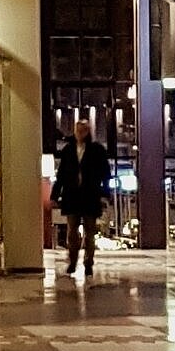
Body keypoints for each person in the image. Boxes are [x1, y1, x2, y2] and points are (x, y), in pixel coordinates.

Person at [52, 119, 109, 278]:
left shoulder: (97, 150)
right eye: (78, 130)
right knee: (72, 232)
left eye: (83, 130)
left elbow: (105, 173)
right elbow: (62, 174)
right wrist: (55, 195)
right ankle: (72, 261)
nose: (80, 134)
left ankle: (88, 263)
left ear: (88, 132)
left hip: (90, 195)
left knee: (90, 232)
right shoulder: (68, 150)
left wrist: (104, 194)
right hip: (72, 196)